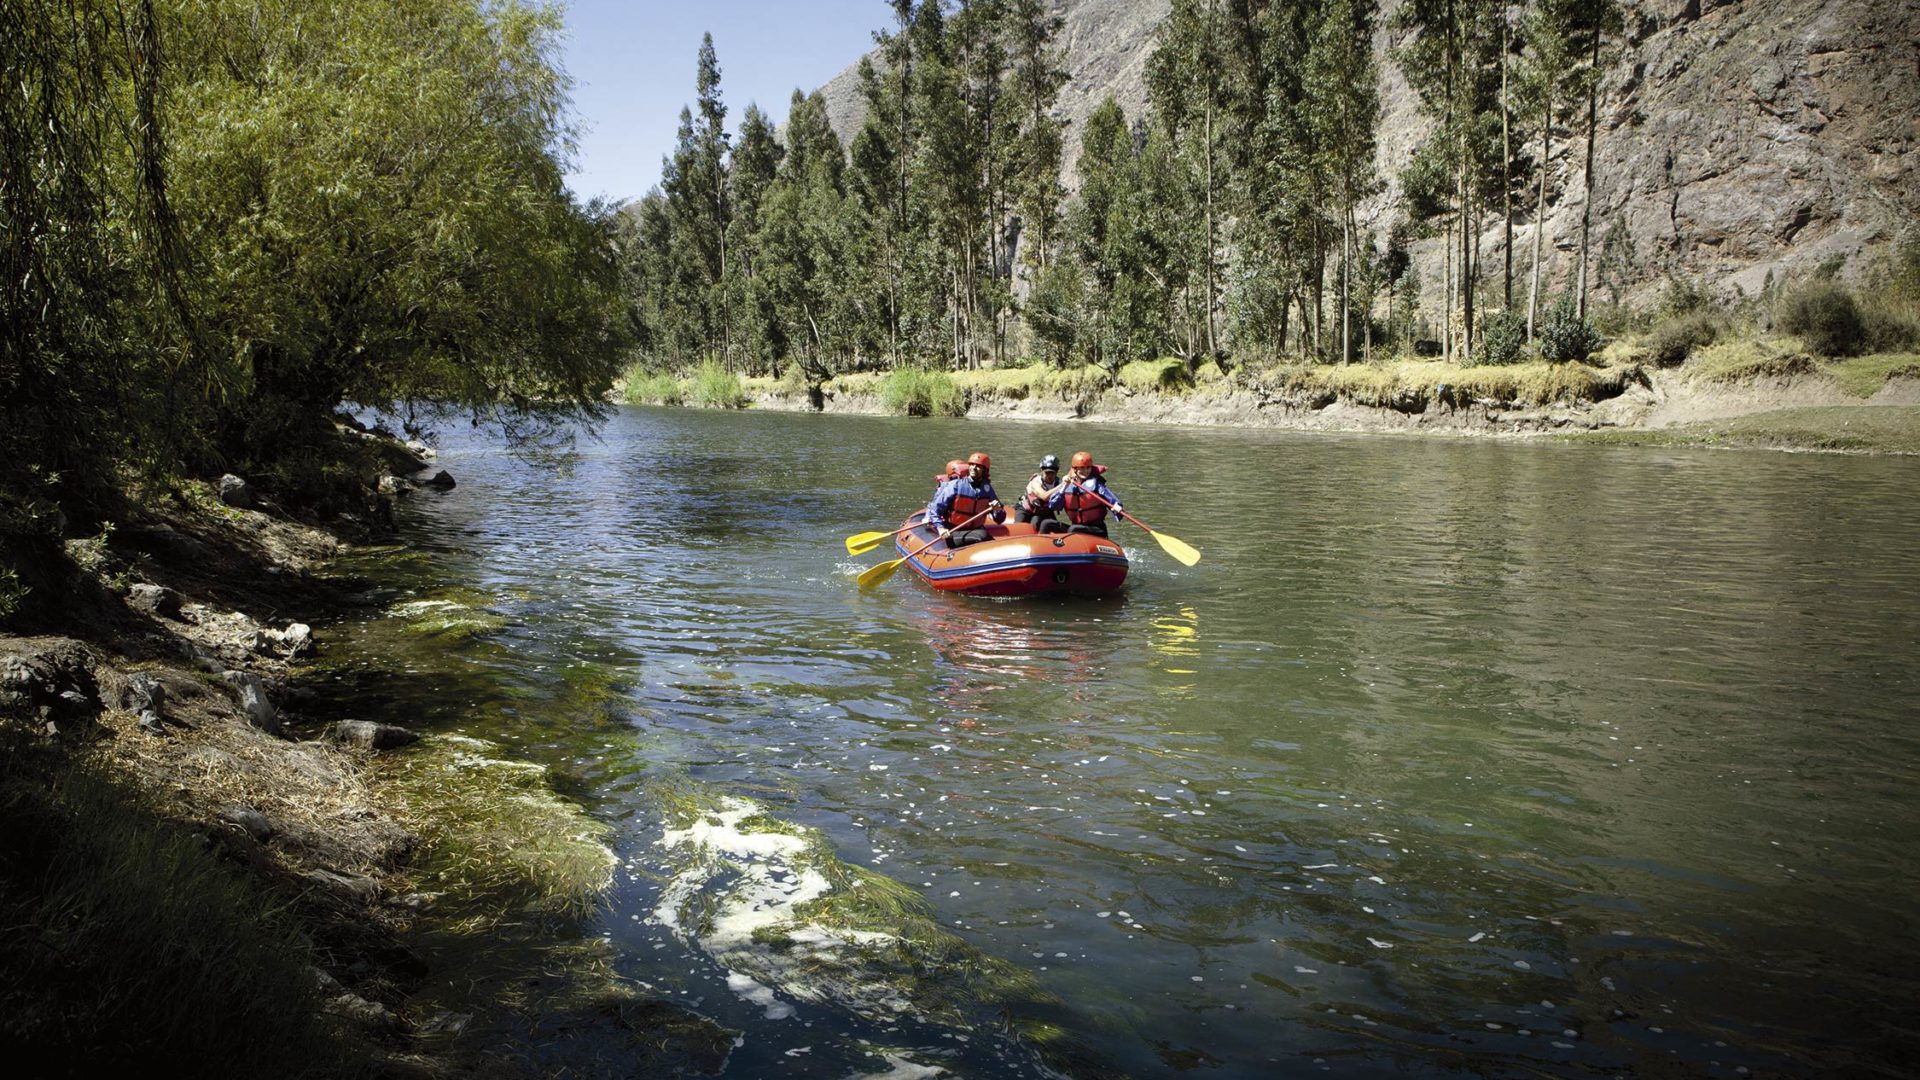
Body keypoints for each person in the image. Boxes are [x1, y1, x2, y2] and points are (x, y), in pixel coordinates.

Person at [928, 451, 1004, 548]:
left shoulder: (987, 489)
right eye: (972, 465)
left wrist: (998, 511)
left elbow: (1000, 519)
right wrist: (940, 528)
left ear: (985, 470)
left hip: (976, 530)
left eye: (978, 466)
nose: (974, 468)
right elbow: (935, 511)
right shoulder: (956, 485)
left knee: (982, 534)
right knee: (982, 536)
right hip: (954, 531)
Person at [1050, 451, 1121, 538]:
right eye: (1082, 468)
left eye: (1088, 468)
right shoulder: (1067, 485)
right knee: (1047, 524)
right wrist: (1064, 487)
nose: (1085, 471)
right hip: (1076, 527)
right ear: (1075, 469)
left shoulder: (1097, 485)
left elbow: (1114, 501)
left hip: (1097, 530)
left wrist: (1116, 507)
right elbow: (1053, 506)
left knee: (1073, 529)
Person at [1016, 454, 1065, 531]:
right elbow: (1044, 496)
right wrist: (1063, 485)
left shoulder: (1058, 483)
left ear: (1057, 471)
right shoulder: (1036, 481)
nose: (1049, 476)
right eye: (1047, 472)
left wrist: (1065, 483)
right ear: (1041, 470)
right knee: (1018, 527)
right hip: (1025, 510)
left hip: (1042, 512)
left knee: (1036, 524)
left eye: (1052, 472)